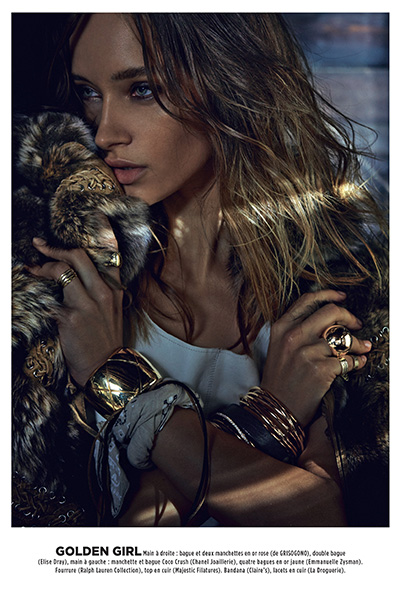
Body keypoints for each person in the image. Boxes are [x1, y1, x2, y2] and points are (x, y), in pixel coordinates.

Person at [19, 13, 387, 527]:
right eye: (89, 93)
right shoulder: (59, 286)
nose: (104, 131)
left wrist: (113, 378)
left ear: (229, 80)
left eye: (142, 89)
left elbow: (325, 528)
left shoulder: (337, 292)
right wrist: (271, 416)